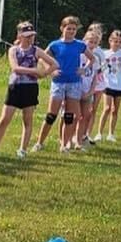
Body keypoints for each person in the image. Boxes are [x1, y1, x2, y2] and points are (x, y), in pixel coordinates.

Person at [0, 21, 54, 158]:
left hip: (30, 88)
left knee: (27, 120)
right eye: (26, 35)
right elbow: (15, 68)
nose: (30, 39)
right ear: (20, 35)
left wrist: (44, 74)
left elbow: (54, 64)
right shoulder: (13, 50)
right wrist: (35, 70)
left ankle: (22, 149)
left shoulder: (37, 51)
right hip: (15, 87)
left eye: (31, 36)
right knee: (5, 118)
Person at [35, 16, 87, 153]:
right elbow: (41, 57)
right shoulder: (55, 45)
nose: (71, 31)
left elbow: (92, 58)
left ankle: (64, 145)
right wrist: (51, 71)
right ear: (62, 28)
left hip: (74, 82)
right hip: (59, 82)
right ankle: (39, 143)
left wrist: (84, 69)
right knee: (51, 114)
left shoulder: (80, 45)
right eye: (68, 28)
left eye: (74, 29)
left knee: (69, 116)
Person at [95, 29, 121, 141]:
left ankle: (111, 134)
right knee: (107, 108)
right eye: (115, 41)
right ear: (110, 41)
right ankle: (99, 133)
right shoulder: (105, 53)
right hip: (107, 83)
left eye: (119, 42)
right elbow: (100, 66)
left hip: (120, 84)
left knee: (115, 110)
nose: (117, 44)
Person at [74, 24, 105, 150]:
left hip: (88, 91)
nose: (92, 44)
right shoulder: (79, 55)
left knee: (84, 116)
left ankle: (79, 140)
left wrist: (91, 91)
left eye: (95, 42)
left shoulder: (96, 58)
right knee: (73, 115)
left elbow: (94, 78)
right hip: (75, 89)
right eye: (90, 42)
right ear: (84, 41)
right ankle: (67, 139)